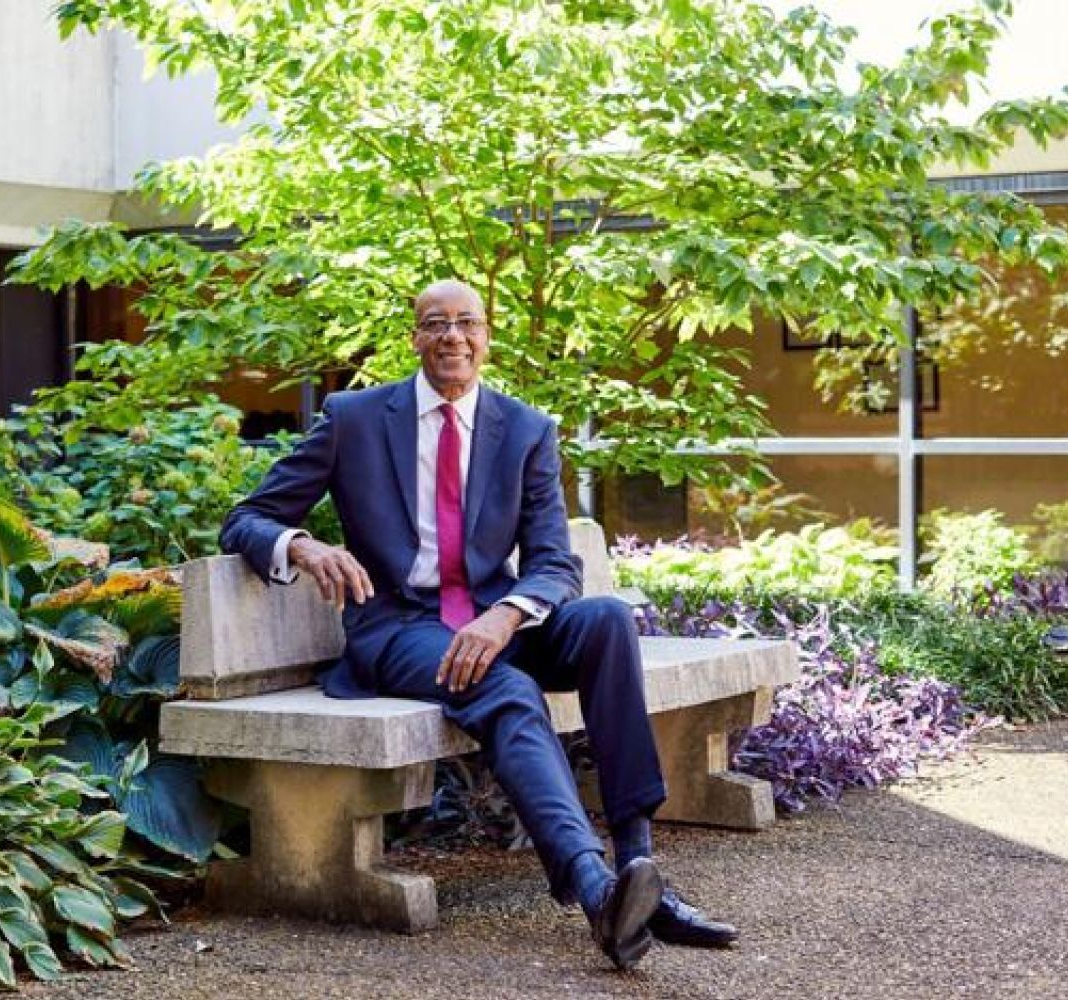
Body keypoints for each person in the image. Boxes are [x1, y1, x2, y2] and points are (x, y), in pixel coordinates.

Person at [220, 279, 738, 969]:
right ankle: (595, 890)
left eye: (467, 323)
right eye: (435, 323)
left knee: (609, 621)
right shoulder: (355, 419)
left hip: (497, 623)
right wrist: (304, 546)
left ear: (487, 336)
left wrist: (503, 617)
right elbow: (244, 518)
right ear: (414, 337)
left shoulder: (525, 429)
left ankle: (643, 869)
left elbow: (554, 564)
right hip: (400, 630)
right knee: (508, 691)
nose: (452, 337)